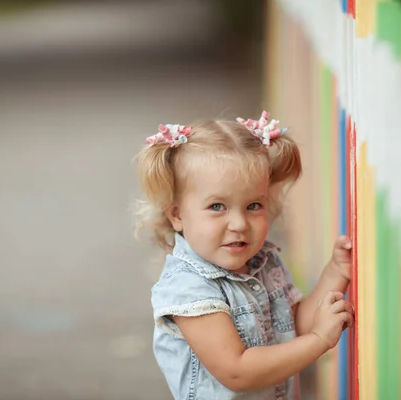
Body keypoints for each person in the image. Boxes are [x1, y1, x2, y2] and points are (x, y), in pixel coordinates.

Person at [134, 111, 354, 399]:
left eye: (253, 206)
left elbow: (293, 325)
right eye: (217, 207)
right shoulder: (188, 288)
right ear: (177, 215)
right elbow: (237, 371)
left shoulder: (263, 261)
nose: (239, 224)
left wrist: (335, 273)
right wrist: (319, 340)